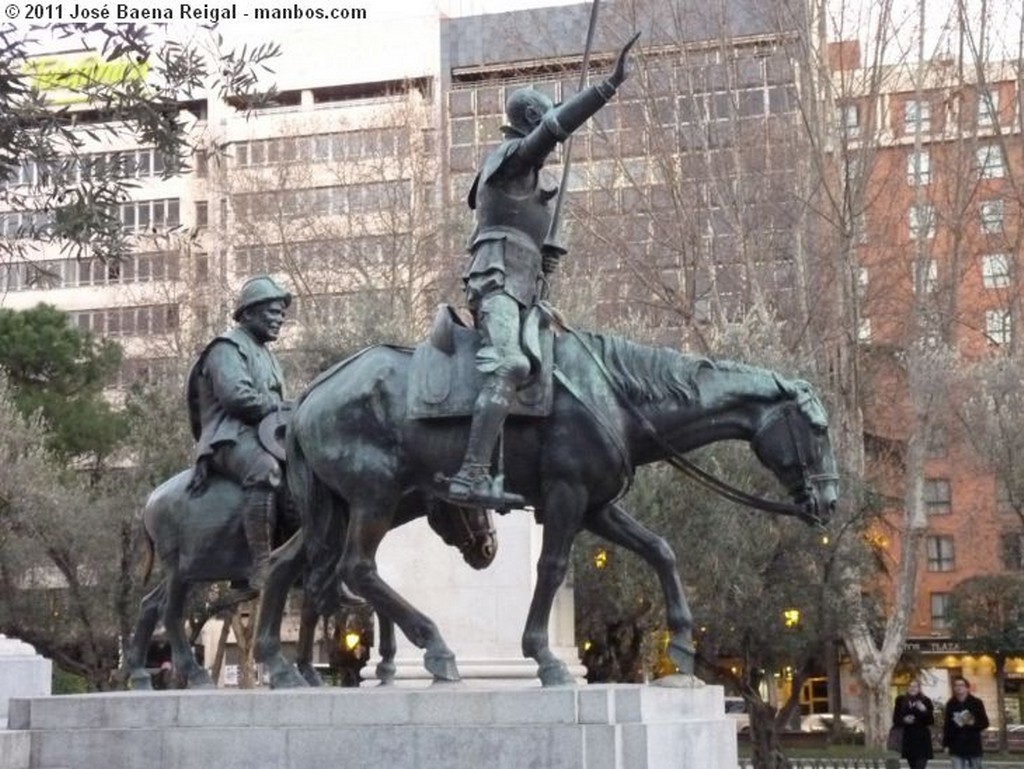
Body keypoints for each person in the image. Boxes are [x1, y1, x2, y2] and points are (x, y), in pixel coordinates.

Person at [443, 31, 641, 509]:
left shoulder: (532, 181)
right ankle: (470, 475)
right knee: (509, 363)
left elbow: (536, 243)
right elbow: (555, 128)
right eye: (544, 119)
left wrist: (547, 251)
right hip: (497, 280)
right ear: (532, 119)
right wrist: (606, 87)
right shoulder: (508, 158)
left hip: (525, 285)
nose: (550, 135)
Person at [187, 275, 291, 591]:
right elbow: (237, 397)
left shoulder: (267, 355)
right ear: (248, 313)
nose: (279, 319)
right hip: (228, 437)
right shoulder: (226, 347)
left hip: (263, 434)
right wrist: (282, 407)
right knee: (265, 470)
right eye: (272, 312)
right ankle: (260, 564)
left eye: (281, 315)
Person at [942, 675, 990, 768]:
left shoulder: (976, 703)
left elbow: (985, 723)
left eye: (961, 685)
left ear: (967, 688)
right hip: (956, 745)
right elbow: (947, 725)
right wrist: (946, 744)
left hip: (973, 744)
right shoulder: (951, 704)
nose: (958, 687)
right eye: (956, 685)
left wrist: (973, 724)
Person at [893, 680, 935, 769]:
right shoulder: (900, 700)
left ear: (919, 688)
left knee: (920, 766)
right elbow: (896, 719)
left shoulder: (925, 701)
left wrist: (924, 710)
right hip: (908, 739)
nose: (912, 688)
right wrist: (904, 720)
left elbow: (930, 721)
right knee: (913, 766)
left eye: (915, 686)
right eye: (910, 686)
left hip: (922, 740)